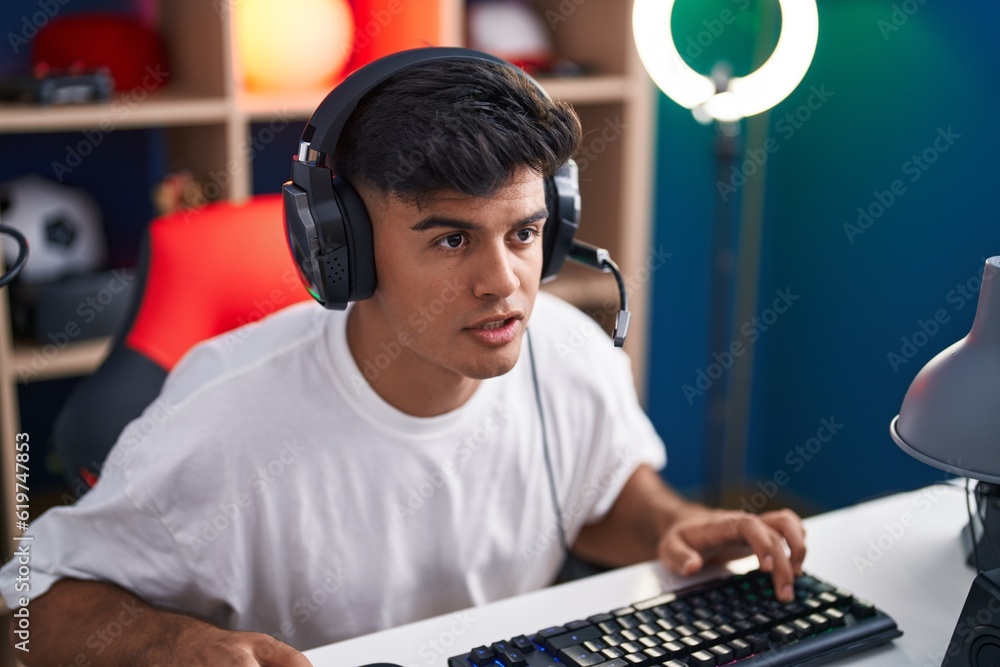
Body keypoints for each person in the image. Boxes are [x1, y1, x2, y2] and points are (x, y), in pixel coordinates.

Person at [0, 55, 805, 666]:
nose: (504, 283)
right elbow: (21, 613)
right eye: (452, 238)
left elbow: (600, 492)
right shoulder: (225, 419)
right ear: (340, 248)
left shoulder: (565, 349)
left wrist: (678, 526)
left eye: (524, 233)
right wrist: (172, 644)